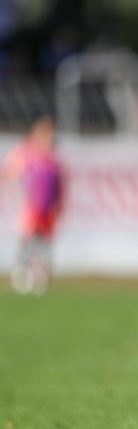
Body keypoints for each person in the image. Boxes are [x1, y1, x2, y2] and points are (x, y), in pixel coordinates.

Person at [2, 116, 63, 296]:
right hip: (33, 208)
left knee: (43, 245)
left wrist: (58, 206)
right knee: (28, 242)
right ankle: (22, 273)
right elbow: (10, 172)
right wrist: (16, 191)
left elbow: (59, 188)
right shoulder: (28, 155)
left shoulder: (53, 162)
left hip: (47, 210)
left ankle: (40, 276)